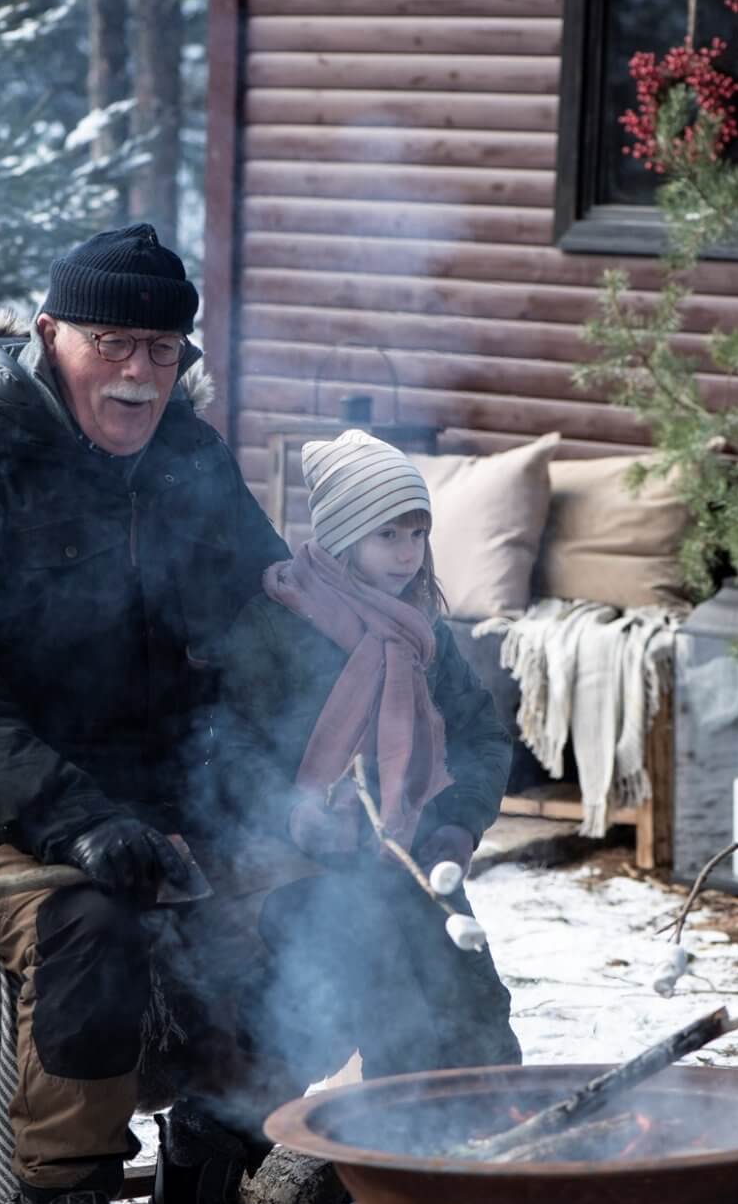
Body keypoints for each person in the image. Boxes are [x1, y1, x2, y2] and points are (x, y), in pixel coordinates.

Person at [0, 223, 321, 1204]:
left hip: (154, 779)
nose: (139, 373)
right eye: (113, 341)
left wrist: (307, 750)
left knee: (298, 889)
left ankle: (200, 1201)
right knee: (86, 916)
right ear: (49, 332)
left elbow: (254, 620)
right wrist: (75, 817)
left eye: (162, 348)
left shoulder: (188, 458)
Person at [213, 428, 522, 1106]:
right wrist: (292, 814)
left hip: (411, 855)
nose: (409, 555)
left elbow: (482, 739)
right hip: (299, 864)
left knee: (473, 1010)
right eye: (389, 535)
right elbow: (230, 745)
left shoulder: (424, 637)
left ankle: (483, 1161)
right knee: (382, 1004)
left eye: (418, 535)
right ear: (344, 536)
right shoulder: (274, 626)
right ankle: (395, 1163)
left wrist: (457, 827)